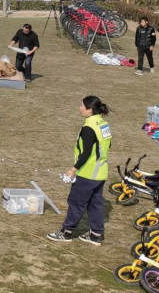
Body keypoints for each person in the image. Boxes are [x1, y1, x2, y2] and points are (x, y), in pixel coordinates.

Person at [47, 96, 113, 246]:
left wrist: (73, 170)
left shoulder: (89, 128)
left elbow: (86, 153)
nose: (79, 108)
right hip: (101, 172)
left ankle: (67, 232)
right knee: (95, 203)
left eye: (82, 106)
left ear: (90, 110)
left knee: (76, 203)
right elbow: (107, 146)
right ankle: (96, 234)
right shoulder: (103, 124)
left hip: (87, 173)